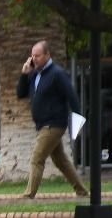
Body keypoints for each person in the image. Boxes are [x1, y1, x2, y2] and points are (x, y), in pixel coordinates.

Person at [16, 40, 88, 198]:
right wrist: (24, 74)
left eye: (38, 55)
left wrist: (78, 121)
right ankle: (82, 191)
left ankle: (28, 194)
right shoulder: (35, 74)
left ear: (48, 55)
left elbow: (72, 97)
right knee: (61, 161)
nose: (34, 58)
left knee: (37, 158)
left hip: (54, 124)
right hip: (42, 124)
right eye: (32, 55)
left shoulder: (57, 74)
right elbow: (21, 94)